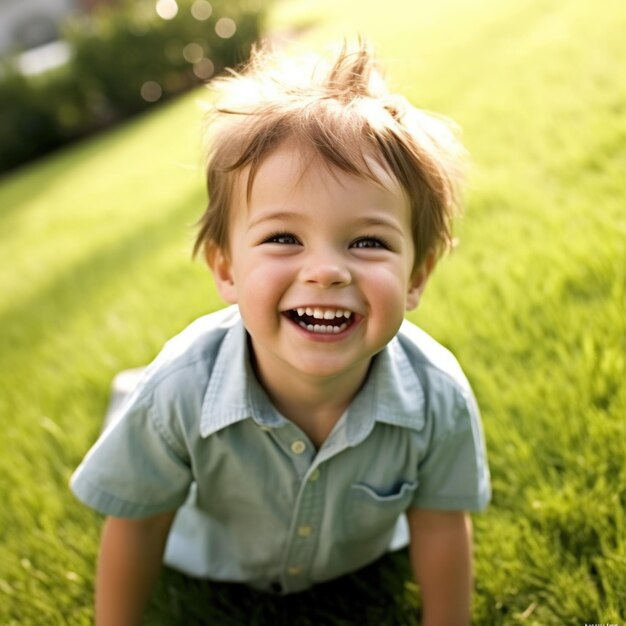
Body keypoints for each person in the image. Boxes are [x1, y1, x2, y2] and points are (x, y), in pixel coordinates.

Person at [70, 40, 490, 626]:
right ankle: (128, 396)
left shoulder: (436, 395)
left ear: (417, 275)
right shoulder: (181, 390)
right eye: (283, 238)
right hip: (212, 559)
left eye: (367, 241)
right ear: (226, 269)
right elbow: (137, 524)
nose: (325, 270)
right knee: (146, 405)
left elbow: (443, 524)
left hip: (359, 558)